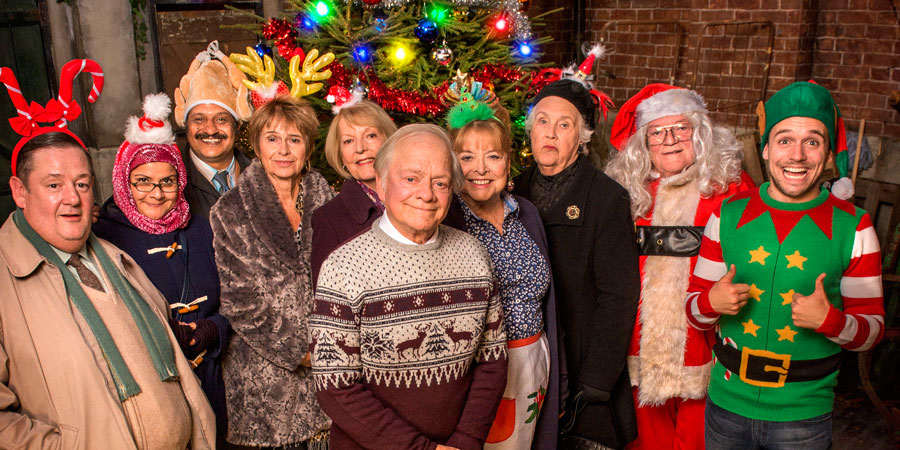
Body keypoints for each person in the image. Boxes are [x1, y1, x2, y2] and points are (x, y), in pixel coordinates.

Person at [0, 60, 215, 449]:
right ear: (19, 191)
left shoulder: (116, 258)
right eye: (53, 184)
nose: (72, 197)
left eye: (82, 183)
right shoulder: (4, 280)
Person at [685, 81, 885, 449]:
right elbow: (693, 312)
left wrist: (831, 321)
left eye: (812, 141)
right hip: (725, 409)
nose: (797, 155)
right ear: (765, 149)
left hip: (803, 417)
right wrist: (710, 303)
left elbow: (872, 331)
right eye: (784, 140)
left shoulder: (855, 227)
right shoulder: (726, 215)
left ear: (827, 155)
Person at [310, 123, 508, 450]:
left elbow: (493, 360)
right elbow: (336, 387)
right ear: (383, 183)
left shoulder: (475, 255)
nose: (427, 194)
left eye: (440, 183)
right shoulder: (343, 266)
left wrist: (465, 441)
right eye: (411, 179)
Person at [605, 84, 754, 450]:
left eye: (680, 128)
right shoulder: (624, 192)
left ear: (699, 132)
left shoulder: (731, 187)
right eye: (657, 131)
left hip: (707, 344)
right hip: (639, 348)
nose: (670, 139)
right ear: (644, 142)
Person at [511, 59, 641, 448]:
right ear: (530, 130)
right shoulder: (510, 192)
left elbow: (618, 297)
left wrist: (596, 382)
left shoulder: (606, 199)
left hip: (585, 374)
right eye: (543, 121)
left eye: (564, 125)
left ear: (582, 137)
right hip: (525, 366)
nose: (550, 133)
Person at [93, 93, 229, 443]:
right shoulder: (103, 237)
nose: (157, 193)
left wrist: (213, 330)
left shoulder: (200, 229)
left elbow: (235, 300)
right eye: (143, 181)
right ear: (125, 181)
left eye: (167, 181)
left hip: (215, 382)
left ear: (179, 181)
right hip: (152, 392)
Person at [210, 96, 334, 449]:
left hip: (333, 370)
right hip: (265, 382)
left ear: (308, 146)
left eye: (294, 140)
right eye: (272, 138)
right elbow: (240, 301)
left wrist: (334, 349)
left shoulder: (324, 196)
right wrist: (303, 352)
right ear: (257, 145)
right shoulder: (231, 209)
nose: (283, 150)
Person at [443, 95, 565, 449]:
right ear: (452, 166)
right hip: (479, 372)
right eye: (467, 157)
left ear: (507, 163)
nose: (481, 168)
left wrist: (560, 381)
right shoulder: (449, 220)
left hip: (534, 361)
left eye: (492, 157)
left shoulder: (526, 213)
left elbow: (551, 305)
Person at [310, 99, 397, 284]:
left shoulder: (419, 200)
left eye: (370, 135)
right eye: (348, 140)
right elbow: (327, 303)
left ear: (389, 140)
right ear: (341, 154)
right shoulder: (328, 220)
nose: (360, 148)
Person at [174, 40, 254, 219]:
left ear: (237, 125)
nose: (210, 129)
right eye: (199, 119)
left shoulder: (261, 176)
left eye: (221, 119)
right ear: (185, 125)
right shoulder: (170, 180)